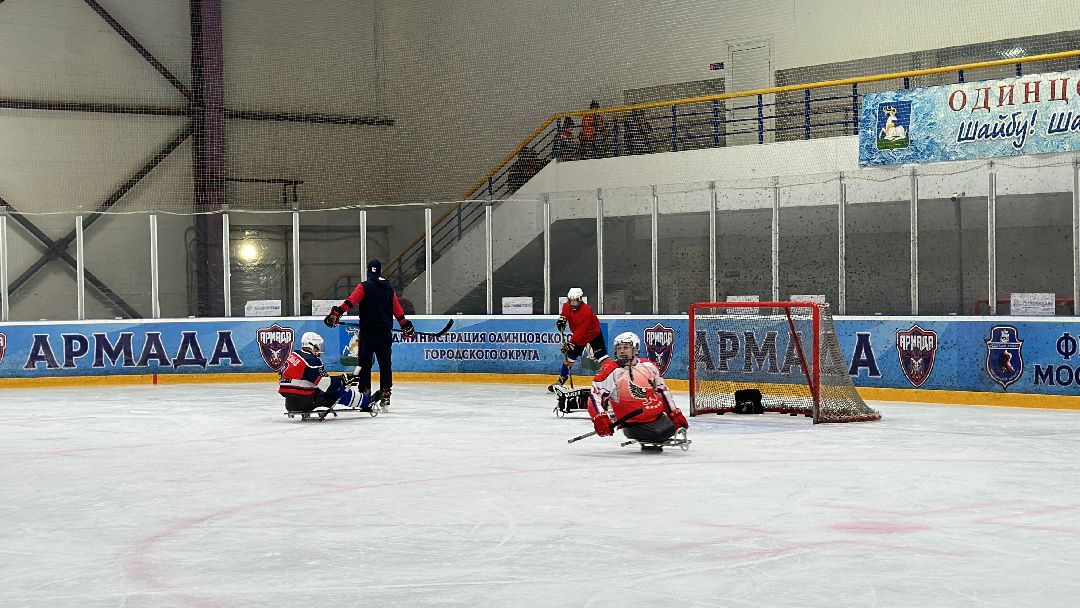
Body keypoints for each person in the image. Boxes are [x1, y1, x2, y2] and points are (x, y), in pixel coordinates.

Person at [323, 259, 415, 409]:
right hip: (384, 334)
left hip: (368, 334)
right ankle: (386, 392)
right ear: (380, 271)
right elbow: (397, 309)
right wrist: (404, 325)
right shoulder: (388, 289)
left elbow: (351, 302)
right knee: (385, 364)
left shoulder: (364, 286)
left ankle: (365, 391)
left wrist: (337, 313)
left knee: (364, 364)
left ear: (368, 271)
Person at [588, 331, 689, 451]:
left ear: (636, 349)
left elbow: (662, 392)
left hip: (659, 419)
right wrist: (600, 418)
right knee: (658, 432)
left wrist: (674, 414)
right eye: (619, 348)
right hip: (634, 424)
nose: (621, 351)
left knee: (668, 428)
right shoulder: (611, 371)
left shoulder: (648, 366)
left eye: (626, 348)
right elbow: (594, 397)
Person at [279, 331, 375, 413]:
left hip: (290, 402)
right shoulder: (311, 361)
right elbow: (325, 384)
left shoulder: (294, 355)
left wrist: (339, 379)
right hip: (304, 401)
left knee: (330, 386)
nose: (320, 349)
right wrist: (342, 380)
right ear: (312, 345)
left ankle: (363, 400)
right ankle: (366, 402)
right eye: (319, 346)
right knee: (337, 390)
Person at [550, 287, 608, 390]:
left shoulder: (586, 311)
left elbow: (581, 330)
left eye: (575, 301)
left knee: (602, 356)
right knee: (569, 357)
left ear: (580, 299)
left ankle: (612, 377)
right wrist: (561, 320)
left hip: (593, 334)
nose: (572, 303)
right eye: (571, 300)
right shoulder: (566, 306)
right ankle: (562, 379)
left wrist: (571, 342)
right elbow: (564, 314)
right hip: (579, 337)